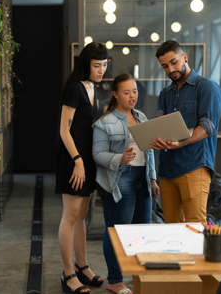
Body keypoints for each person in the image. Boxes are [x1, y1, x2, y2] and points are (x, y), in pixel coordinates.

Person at [92, 73, 159, 294]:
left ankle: (139, 277)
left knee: (142, 231)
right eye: (126, 92)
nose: (132, 96)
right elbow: (97, 154)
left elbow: (148, 152)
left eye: (135, 91)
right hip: (120, 179)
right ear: (115, 94)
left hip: (142, 180)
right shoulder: (104, 122)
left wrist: (152, 178)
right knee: (117, 231)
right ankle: (115, 280)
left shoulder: (141, 117)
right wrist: (119, 159)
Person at [151, 40, 221, 225]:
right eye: (165, 66)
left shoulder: (207, 87)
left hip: (194, 166)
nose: (170, 69)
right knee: (172, 227)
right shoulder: (165, 94)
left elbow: (207, 126)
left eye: (174, 62)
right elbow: (159, 123)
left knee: (195, 225)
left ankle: (197, 256)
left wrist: (181, 143)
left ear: (184, 57)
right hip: (167, 170)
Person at [55, 42, 107, 294]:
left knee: (82, 214)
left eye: (105, 65)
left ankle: (82, 265)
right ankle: (68, 274)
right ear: (86, 64)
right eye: (97, 65)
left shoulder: (93, 87)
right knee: (71, 215)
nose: (101, 70)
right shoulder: (74, 89)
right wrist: (77, 161)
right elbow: (64, 129)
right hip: (74, 160)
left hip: (87, 159)